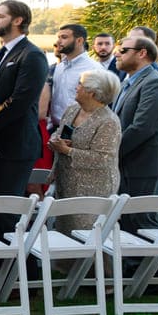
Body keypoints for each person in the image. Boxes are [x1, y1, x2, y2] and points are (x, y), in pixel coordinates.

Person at [0, 1, 49, 233]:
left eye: (0, 16)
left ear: (18, 21)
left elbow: (19, 100)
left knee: (8, 214)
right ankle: (0, 268)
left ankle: (21, 268)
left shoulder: (32, 55)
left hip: (15, 143)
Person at [48, 70, 122, 233]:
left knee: (88, 238)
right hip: (66, 184)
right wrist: (55, 140)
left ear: (92, 92)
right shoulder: (73, 109)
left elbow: (103, 159)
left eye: (80, 84)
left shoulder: (108, 121)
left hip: (93, 190)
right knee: (64, 235)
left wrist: (67, 150)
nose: (76, 87)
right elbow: (58, 132)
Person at [113, 35, 158, 232]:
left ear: (142, 53)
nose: (117, 54)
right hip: (128, 162)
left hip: (146, 164)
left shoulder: (156, 83)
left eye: (123, 50)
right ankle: (130, 263)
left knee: (144, 222)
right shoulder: (126, 83)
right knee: (128, 222)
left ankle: (154, 264)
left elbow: (144, 127)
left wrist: (111, 152)